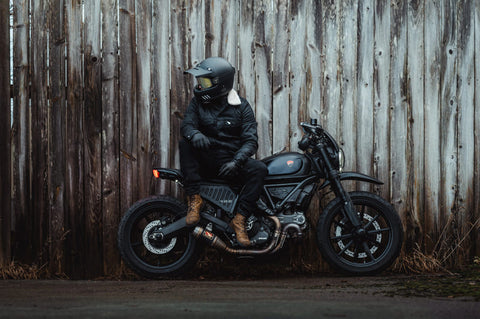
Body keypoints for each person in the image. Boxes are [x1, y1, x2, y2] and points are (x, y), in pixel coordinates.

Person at [180, 57, 267, 247]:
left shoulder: (241, 107)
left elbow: (251, 140)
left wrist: (237, 161)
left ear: (219, 84)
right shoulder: (197, 104)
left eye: (204, 82)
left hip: (230, 162)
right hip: (206, 159)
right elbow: (186, 125)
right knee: (185, 142)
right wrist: (194, 134)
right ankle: (195, 199)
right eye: (199, 82)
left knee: (259, 169)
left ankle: (240, 219)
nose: (200, 86)